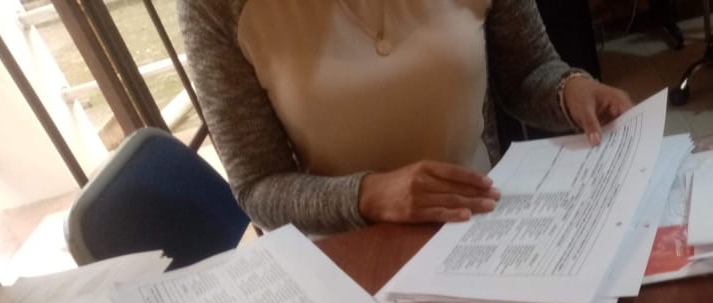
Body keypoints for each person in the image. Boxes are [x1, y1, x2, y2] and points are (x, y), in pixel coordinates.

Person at [177, 0, 632, 236]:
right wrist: (369, 196)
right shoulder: (216, 8)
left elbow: (527, 71)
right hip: (349, 253)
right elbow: (257, 185)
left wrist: (570, 90)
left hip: (485, 221)